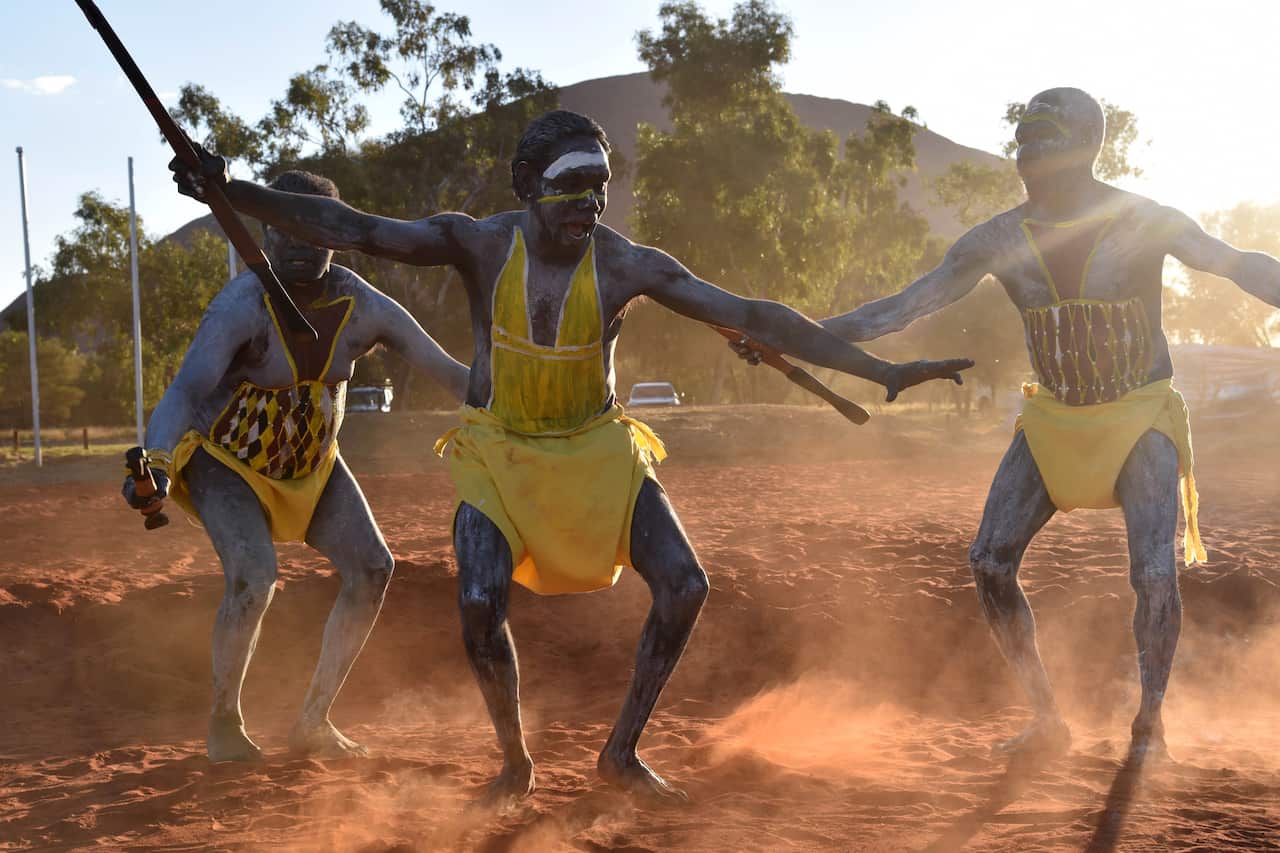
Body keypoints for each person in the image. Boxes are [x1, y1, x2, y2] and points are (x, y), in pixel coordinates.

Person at [170, 109, 972, 801]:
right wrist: (228, 189)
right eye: (569, 186)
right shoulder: (478, 245)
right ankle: (515, 760)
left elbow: (757, 312)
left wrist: (880, 369)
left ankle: (620, 752)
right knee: (480, 605)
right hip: (501, 455)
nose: (587, 203)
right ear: (527, 187)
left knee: (686, 585)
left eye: (600, 187)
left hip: (599, 452)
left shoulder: (627, 264)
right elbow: (357, 229)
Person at [739, 87, 1280, 760]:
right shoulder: (997, 240)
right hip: (1052, 419)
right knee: (989, 561)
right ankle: (1047, 722)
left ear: (1086, 149)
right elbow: (901, 308)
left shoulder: (1145, 221)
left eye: (1046, 141)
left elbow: (1239, 265)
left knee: (1153, 573)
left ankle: (1149, 727)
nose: (1029, 155)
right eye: (1023, 141)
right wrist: (796, 335)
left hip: (1140, 415)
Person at [123, 170, 469, 762]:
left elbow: (449, 372)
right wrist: (151, 463)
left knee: (372, 569)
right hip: (224, 462)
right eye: (289, 231)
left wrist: (531, 397)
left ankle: (314, 721)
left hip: (313, 466)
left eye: (317, 231)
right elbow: (185, 391)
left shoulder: (362, 306)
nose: (304, 245)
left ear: (339, 235)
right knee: (254, 576)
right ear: (264, 232)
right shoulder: (242, 307)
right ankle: (225, 722)